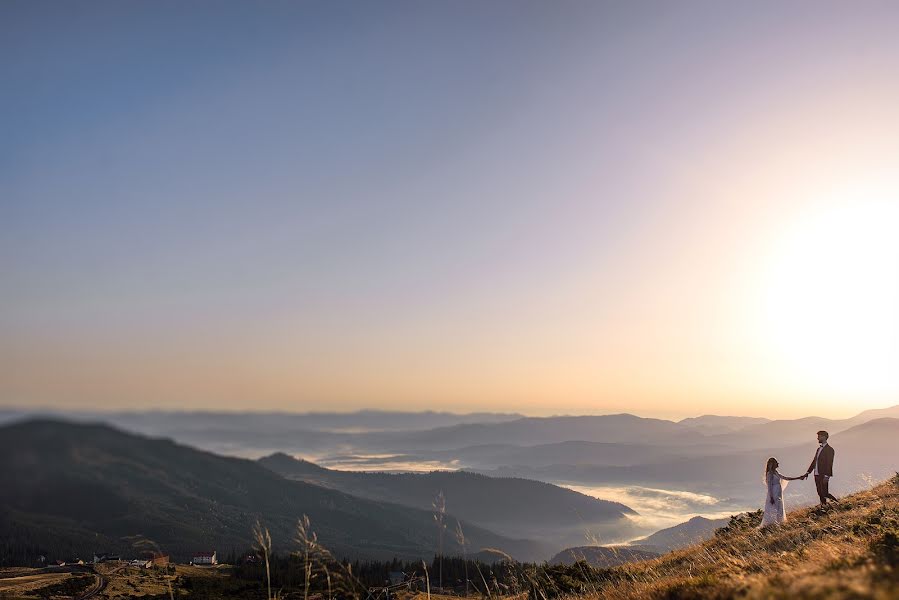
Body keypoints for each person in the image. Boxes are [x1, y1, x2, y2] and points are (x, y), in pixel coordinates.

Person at [760, 457, 804, 527]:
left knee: (778, 506)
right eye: (775, 463)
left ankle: (778, 522)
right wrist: (771, 497)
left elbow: (785, 478)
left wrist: (798, 478)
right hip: (773, 493)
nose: (777, 464)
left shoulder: (775, 472)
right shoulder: (770, 474)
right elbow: (769, 486)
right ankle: (772, 523)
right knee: (773, 507)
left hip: (778, 492)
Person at [805, 430, 838, 505]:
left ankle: (837, 504)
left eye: (819, 436)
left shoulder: (830, 449)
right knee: (820, 493)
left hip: (823, 475)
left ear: (824, 437)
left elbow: (829, 463)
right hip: (816, 474)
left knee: (825, 493)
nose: (817, 438)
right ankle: (824, 507)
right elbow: (814, 461)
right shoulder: (818, 449)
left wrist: (827, 476)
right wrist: (808, 472)